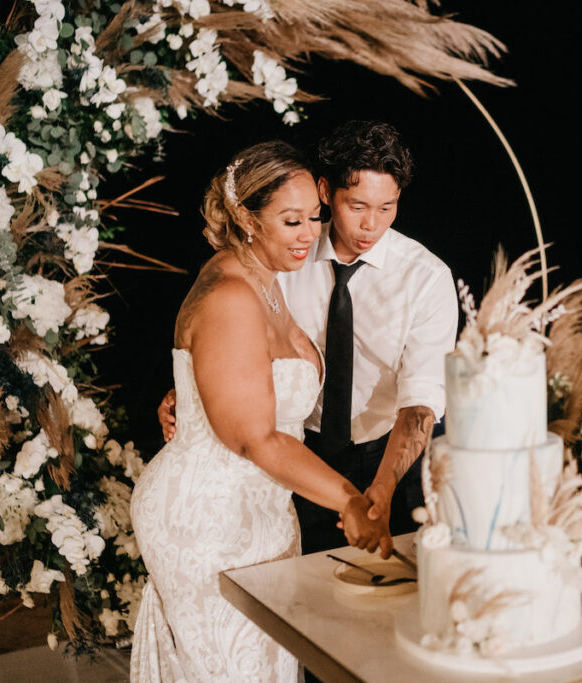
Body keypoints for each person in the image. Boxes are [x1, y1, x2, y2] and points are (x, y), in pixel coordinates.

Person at [130, 141, 388, 683]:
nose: (308, 234)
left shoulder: (268, 280)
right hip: (207, 520)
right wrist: (351, 499)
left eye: (314, 218)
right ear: (246, 217)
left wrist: (187, 395)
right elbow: (254, 438)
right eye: (291, 220)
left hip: (263, 511)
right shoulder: (231, 295)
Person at [158, 121, 458, 558]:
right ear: (325, 191)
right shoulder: (282, 258)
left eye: (387, 208)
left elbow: (421, 400)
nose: (371, 225)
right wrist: (197, 390)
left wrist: (382, 486)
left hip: (389, 454)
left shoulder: (426, 278)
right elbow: (233, 344)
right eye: (356, 206)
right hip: (295, 454)